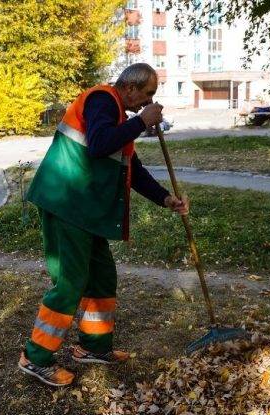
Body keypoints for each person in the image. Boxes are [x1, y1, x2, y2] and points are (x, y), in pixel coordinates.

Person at [19, 63, 189, 387]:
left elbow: (132, 170)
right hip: (67, 204)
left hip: (86, 212)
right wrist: (142, 122)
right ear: (130, 88)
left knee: (102, 277)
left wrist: (166, 198)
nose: (149, 101)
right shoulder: (102, 100)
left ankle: (92, 347)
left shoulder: (120, 119)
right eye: (147, 94)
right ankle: (36, 357)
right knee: (70, 282)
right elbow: (98, 144)